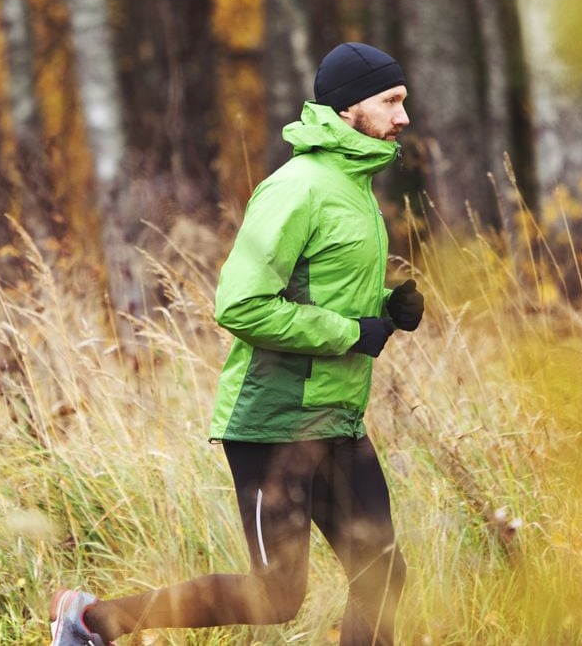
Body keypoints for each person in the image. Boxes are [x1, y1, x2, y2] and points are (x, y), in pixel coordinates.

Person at [49, 42, 426, 646]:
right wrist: (356, 333)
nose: (404, 117)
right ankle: (92, 622)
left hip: (338, 415)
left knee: (382, 573)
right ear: (348, 106)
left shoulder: (355, 187)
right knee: (277, 593)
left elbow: (319, 295)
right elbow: (242, 304)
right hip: (275, 422)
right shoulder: (296, 188)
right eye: (391, 101)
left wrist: (387, 310)